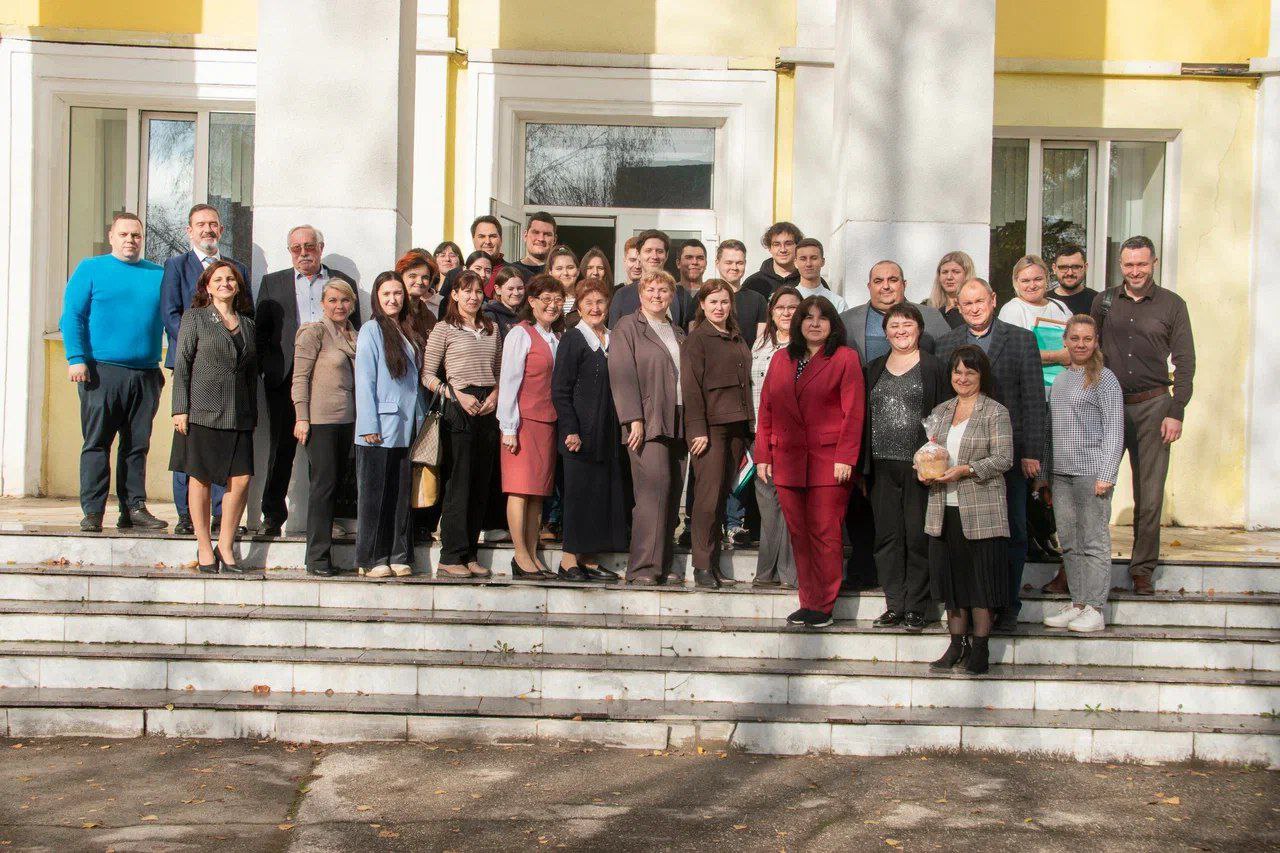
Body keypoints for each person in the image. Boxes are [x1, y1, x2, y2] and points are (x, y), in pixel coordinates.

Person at [936, 278, 1044, 632]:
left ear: (993, 299)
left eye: (979, 301)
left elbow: (1032, 399)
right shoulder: (947, 343)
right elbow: (942, 402)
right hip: (959, 456)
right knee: (967, 536)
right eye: (965, 304)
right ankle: (969, 606)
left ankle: (1007, 605)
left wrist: (1032, 452)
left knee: (1011, 530)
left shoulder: (1021, 340)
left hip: (1006, 454)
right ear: (958, 306)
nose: (973, 309)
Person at [1090, 235, 1195, 595]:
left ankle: (1142, 569)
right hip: (1109, 403)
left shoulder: (1172, 305)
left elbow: (1185, 362)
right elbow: (1089, 351)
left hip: (1154, 407)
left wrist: (1176, 409)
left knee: (1149, 493)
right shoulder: (1103, 302)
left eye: (1142, 264)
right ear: (1121, 265)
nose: (1135, 271)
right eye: (1128, 264)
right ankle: (1081, 565)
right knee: (1092, 487)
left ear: (1153, 263)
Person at [755, 297, 865, 628]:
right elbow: (767, 409)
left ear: (833, 324)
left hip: (828, 462)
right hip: (787, 460)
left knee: (825, 533)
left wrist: (846, 456)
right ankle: (808, 600)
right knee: (799, 534)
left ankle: (824, 604)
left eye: (822, 318)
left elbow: (853, 411)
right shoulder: (780, 359)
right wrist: (763, 454)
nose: (814, 323)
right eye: (807, 318)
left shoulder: (845, 358)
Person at [60, 212, 167, 533]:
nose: (130, 241)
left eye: (135, 235)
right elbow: (72, 316)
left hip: (146, 373)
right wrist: (76, 357)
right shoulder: (90, 269)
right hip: (100, 372)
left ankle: (133, 508)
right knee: (97, 442)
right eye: (124, 235)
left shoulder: (157, 274)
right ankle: (93, 511)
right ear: (111, 236)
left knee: (137, 445)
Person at [254, 225, 360, 536]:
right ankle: (273, 516)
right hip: (288, 378)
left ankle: (331, 518)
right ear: (290, 252)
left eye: (309, 246)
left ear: (321, 247)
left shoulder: (342, 283)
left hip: (332, 384)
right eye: (296, 248)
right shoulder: (273, 283)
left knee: (329, 456)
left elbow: (355, 331)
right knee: (281, 449)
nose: (303, 253)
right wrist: (270, 370)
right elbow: (261, 333)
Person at [921, 345, 1015, 675]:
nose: (963, 378)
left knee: (981, 584)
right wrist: (925, 466)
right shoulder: (941, 411)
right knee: (952, 584)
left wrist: (965, 469)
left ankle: (981, 647)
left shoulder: (995, 411)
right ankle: (955, 643)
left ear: (981, 376)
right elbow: (931, 451)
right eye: (957, 372)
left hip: (981, 509)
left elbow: (1004, 458)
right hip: (943, 508)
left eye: (970, 373)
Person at [160, 203, 250, 536]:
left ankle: (218, 513)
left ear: (221, 230)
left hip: (229, 376)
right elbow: (170, 314)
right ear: (190, 230)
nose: (207, 229)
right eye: (201, 224)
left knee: (223, 448)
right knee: (191, 448)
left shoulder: (236, 268)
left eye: (213, 224)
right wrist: (196, 345)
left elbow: (246, 312)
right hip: (192, 367)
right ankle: (186, 515)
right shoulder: (176, 266)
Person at [863, 303, 951, 631]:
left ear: (919, 329)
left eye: (907, 325)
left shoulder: (934, 368)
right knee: (887, 537)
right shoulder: (872, 368)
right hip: (881, 466)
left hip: (920, 469)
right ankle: (894, 604)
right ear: (885, 332)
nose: (901, 331)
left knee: (917, 537)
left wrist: (935, 464)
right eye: (894, 326)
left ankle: (917, 606)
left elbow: (944, 416)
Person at [170, 260, 258, 574]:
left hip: (239, 413)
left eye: (230, 279)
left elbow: (250, 374)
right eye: (218, 279)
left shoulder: (247, 323)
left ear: (238, 286)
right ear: (208, 286)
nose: (225, 283)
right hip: (202, 411)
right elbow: (182, 365)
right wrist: (180, 408)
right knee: (200, 478)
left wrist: (253, 414)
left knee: (242, 478)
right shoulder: (195, 318)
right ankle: (205, 546)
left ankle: (226, 544)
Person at [1043, 315, 1124, 632]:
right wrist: (1046, 475)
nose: (1080, 344)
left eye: (1086, 339)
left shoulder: (1105, 380)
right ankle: (1077, 603)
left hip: (1092, 474)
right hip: (1062, 476)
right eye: (1074, 338)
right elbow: (1051, 431)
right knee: (1070, 542)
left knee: (1094, 541)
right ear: (1065, 340)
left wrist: (1107, 473)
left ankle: (1095, 607)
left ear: (1096, 342)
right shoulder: (1061, 380)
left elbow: (1115, 431)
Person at [422, 270, 503, 579]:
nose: (473, 296)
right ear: (454, 294)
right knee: (459, 483)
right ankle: (450, 554)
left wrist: (496, 393)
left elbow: (498, 368)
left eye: (478, 291)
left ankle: (469, 554)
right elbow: (428, 374)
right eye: (466, 291)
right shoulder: (444, 328)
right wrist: (453, 393)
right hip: (459, 404)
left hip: (487, 407)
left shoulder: (492, 328)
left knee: (481, 483)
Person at [609, 269, 687, 585]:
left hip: (679, 418)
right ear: (641, 295)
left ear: (672, 296)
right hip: (647, 420)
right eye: (650, 290)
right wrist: (633, 418)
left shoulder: (678, 331)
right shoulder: (627, 327)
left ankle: (662, 562)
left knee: (671, 491)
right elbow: (621, 373)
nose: (657, 295)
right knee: (653, 491)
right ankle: (642, 567)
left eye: (663, 290)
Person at [552, 278, 628, 583]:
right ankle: (568, 560)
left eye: (600, 302)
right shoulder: (573, 339)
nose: (595, 308)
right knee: (578, 496)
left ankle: (589, 559)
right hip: (580, 434)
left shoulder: (613, 338)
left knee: (600, 496)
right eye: (588, 303)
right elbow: (560, 389)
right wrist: (570, 429)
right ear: (579, 307)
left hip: (607, 433)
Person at [682, 280, 753, 588]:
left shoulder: (736, 336)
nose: (719, 307)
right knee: (707, 499)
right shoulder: (698, 339)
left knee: (724, 495)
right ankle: (701, 566)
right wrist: (696, 429)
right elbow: (691, 387)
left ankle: (714, 564)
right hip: (710, 428)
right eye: (713, 302)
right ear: (703, 305)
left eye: (724, 301)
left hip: (737, 425)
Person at [497, 275, 568, 580]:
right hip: (523, 422)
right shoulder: (520, 334)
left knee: (538, 493)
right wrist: (508, 427)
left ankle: (533, 552)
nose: (552, 305)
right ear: (532, 302)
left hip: (547, 423)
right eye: (546, 299)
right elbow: (510, 382)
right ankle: (520, 555)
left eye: (558, 300)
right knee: (520, 490)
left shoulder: (557, 337)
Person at [353, 272, 423, 579]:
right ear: (377, 298)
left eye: (397, 293)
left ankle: (398, 553)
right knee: (375, 496)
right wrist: (368, 422)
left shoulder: (407, 329)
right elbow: (364, 379)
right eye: (386, 294)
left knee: (400, 494)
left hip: (406, 427)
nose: (393, 299)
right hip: (378, 427)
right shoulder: (370, 329)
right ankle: (372, 557)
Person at [291, 280, 359, 577]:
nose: (338, 305)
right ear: (322, 303)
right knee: (323, 487)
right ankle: (317, 557)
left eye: (344, 300)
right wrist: (301, 417)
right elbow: (300, 378)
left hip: (349, 421)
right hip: (320, 421)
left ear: (352, 304)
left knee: (336, 486)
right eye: (332, 300)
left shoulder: (357, 335)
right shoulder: (313, 332)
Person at [750, 287, 801, 587]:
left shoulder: (804, 346)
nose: (785, 313)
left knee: (789, 506)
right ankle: (766, 572)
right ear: (771, 312)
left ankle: (788, 573)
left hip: (791, 438)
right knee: (768, 506)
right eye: (780, 307)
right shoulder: (760, 344)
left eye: (792, 307)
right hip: (759, 434)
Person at [840, 260, 951, 364]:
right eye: (878, 281)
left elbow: (948, 360)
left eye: (893, 280)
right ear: (869, 287)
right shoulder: (847, 320)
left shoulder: (931, 317)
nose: (886, 286)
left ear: (904, 284)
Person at [999, 255, 1072, 393]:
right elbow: (1014, 354)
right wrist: (1060, 356)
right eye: (1025, 280)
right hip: (1029, 392)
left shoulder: (1060, 307)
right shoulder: (1012, 309)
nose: (1032, 285)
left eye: (1037, 279)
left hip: (1063, 392)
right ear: (1016, 282)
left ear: (1046, 279)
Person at [608, 230, 695, 328]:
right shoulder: (622, 295)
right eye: (648, 251)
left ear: (666, 255)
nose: (654, 256)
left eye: (659, 251)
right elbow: (615, 336)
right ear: (639, 254)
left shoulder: (681, 296)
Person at [715, 239, 767, 347]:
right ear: (717, 263)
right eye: (728, 262)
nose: (734, 267)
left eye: (739, 263)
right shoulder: (705, 296)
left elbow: (760, 344)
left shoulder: (758, 300)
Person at [743, 221, 803, 299]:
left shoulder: (810, 280)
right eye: (777, 244)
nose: (783, 249)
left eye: (788, 244)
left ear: (797, 247)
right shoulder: (753, 283)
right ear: (770, 248)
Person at [794, 238, 848, 312]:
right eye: (803, 259)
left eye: (814, 258)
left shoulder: (837, 303)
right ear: (795, 263)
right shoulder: (786, 300)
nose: (808, 264)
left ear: (822, 262)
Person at [925, 251, 975, 330]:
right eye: (945, 272)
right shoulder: (926, 307)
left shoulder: (975, 310)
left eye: (956, 272)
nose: (949, 277)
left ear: (967, 275)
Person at [1051, 243, 1098, 317]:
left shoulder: (1097, 301)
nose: (1070, 273)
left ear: (1085, 267)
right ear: (1054, 268)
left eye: (1076, 267)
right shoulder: (1044, 300)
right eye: (1063, 267)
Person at [509, 211, 557, 280]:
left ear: (554, 240)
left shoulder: (560, 273)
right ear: (525, 235)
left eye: (547, 234)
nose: (541, 239)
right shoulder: (510, 271)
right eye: (536, 232)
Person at [484, 266, 527, 342]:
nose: (516, 293)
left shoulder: (525, 316)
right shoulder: (491, 316)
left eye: (520, 288)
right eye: (510, 289)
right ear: (498, 289)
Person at [544, 245, 580, 313]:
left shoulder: (584, 299)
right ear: (550, 272)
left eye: (570, 267)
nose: (565, 273)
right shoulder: (543, 301)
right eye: (559, 269)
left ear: (578, 271)